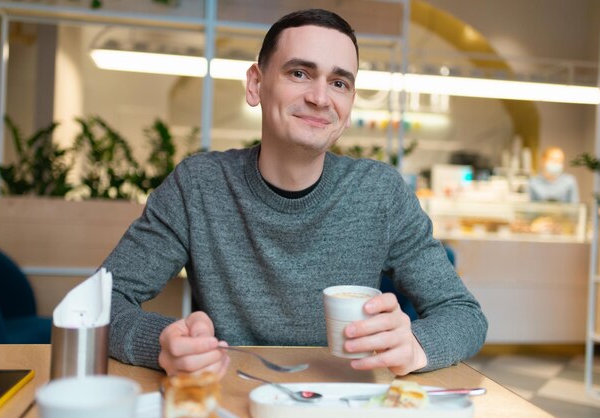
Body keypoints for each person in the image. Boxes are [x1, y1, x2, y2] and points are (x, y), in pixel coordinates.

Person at [102, 8, 487, 380]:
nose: (320, 97)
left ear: (350, 104)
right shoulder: (198, 185)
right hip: (232, 394)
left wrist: (416, 345)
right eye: (300, 73)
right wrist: (162, 344)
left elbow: (463, 313)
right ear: (256, 84)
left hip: (346, 400)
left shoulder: (380, 192)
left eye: (339, 82)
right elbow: (101, 302)